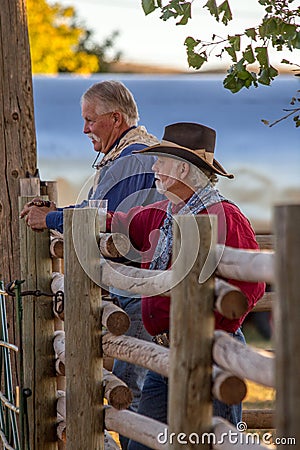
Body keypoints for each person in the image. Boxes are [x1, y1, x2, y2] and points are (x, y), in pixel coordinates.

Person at [20, 80, 164, 448]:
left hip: (139, 289)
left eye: (90, 120)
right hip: (138, 287)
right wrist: (56, 214)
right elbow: (99, 213)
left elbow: (104, 217)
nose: (85, 129)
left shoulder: (132, 159)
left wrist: (51, 220)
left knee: (135, 392)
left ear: (115, 119)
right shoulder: (132, 154)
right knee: (140, 387)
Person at [105, 122, 266, 450]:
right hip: (166, 352)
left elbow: (251, 287)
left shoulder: (224, 216)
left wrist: (207, 330)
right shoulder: (168, 211)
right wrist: (56, 217)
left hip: (205, 352)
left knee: (209, 440)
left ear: (182, 168)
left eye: (161, 161)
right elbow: (123, 222)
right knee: (144, 442)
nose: (154, 168)